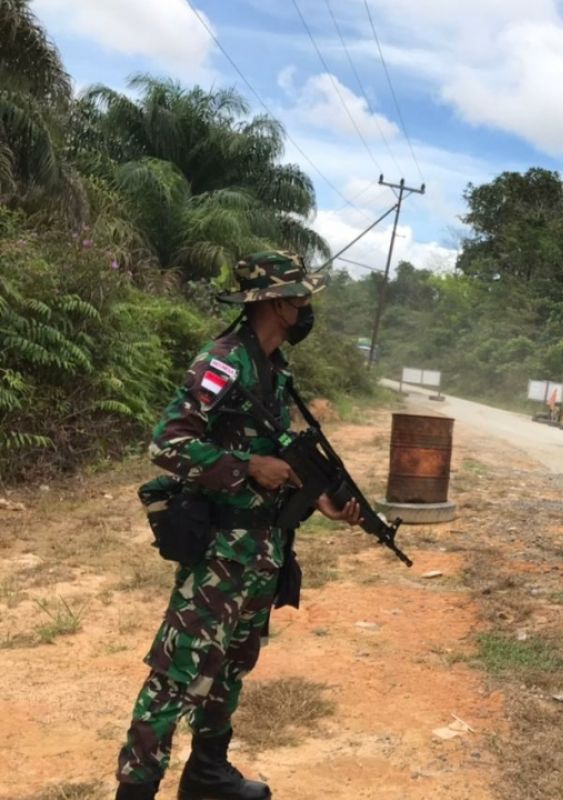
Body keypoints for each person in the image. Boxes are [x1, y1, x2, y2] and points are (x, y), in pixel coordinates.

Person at [115, 251, 362, 800]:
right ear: (276, 302)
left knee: (232, 664)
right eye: (302, 297)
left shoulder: (274, 369)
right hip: (219, 551)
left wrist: (316, 494)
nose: (308, 307)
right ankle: (135, 790)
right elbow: (167, 442)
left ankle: (207, 773)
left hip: (260, 547)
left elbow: (267, 443)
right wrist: (246, 468)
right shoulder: (224, 361)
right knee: (179, 672)